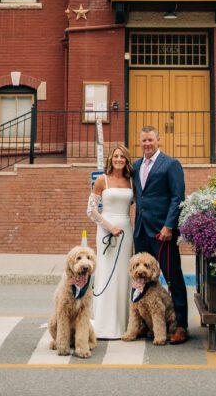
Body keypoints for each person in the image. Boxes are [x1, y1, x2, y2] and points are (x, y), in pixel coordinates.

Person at [132, 125, 188, 344]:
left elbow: (177, 197)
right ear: (140, 142)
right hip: (141, 231)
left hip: (162, 232)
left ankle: (181, 325)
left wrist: (169, 226)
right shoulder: (136, 166)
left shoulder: (171, 165)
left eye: (151, 140)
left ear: (158, 140)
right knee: (141, 279)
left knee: (173, 277)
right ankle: (144, 324)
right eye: (144, 141)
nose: (147, 144)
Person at [86, 142, 134, 339]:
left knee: (123, 275)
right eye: (116, 156)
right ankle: (105, 325)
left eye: (122, 157)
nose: (119, 160)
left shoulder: (132, 182)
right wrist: (109, 227)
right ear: (110, 159)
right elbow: (91, 211)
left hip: (126, 231)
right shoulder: (101, 181)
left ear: (127, 160)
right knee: (106, 273)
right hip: (106, 230)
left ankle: (123, 325)